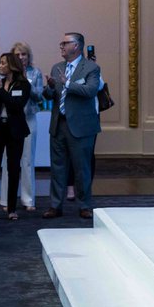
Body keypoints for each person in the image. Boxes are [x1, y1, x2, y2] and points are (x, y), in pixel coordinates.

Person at [42, 32, 101, 220]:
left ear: (76, 46)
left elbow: (91, 91)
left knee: (82, 167)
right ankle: (55, 205)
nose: (61, 46)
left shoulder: (91, 68)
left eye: (65, 43)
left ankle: (84, 205)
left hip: (81, 127)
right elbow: (50, 96)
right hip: (59, 124)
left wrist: (68, 83)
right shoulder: (56, 67)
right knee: (57, 167)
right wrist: (50, 87)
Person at [0, 52, 31, 221]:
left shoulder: (23, 84)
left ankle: (12, 208)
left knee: (13, 169)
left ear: (12, 65)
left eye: (3, 63)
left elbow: (16, 105)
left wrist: (1, 91)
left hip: (15, 130)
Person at [9, 41, 43, 211]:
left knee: (28, 160)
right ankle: (6, 201)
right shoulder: (8, 73)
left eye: (24, 54)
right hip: (11, 119)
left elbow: (39, 97)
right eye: (17, 54)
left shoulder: (35, 73)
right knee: (9, 161)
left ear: (29, 56)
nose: (21, 57)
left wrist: (27, 84)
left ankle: (28, 199)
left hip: (29, 118)